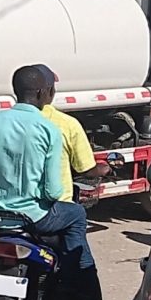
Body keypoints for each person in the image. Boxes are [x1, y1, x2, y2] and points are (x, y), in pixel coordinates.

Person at [0, 66, 102, 300]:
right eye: (51, 89)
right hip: (34, 218)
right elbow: (54, 190)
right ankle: (71, 277)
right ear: (43, 93)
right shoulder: (50, 130)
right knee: (77, 214)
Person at [34, 65, 110, 202]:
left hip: (10, 206)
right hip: (55, 205)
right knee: (78, 217)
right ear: (49, 91)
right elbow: (86, 170)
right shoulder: (67, 124)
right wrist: (103, 169)